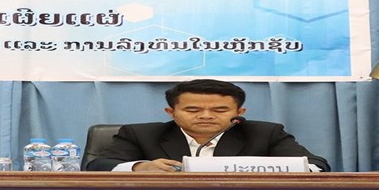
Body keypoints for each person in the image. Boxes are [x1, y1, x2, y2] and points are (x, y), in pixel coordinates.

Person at [85, 79, 330, 172]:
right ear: (171, 112)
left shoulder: (266, 133)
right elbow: (97, 166)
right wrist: (141, 167)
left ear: (239, 113)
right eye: (192, 110)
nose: (206, 116)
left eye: (219, 110)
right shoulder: (141, 134)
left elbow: (317, 166)